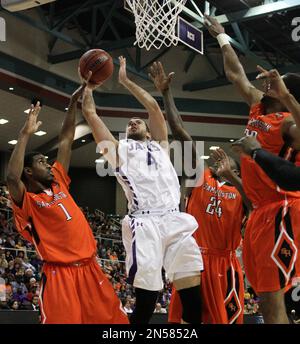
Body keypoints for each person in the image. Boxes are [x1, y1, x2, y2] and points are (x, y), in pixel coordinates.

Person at [81, 56, 203, 324]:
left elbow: (153, 109)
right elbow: (90, 115)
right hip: (145, 223)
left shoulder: (160, 145)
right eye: (129, 123)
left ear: (149, 133)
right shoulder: (118, 150)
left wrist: (126, 82)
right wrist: (89, 89)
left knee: (194, 300)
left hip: (174, 219)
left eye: (138, 122)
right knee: (147, 300)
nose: (133, 122)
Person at [6, 77, 128, 324]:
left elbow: (65, 140)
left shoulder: (59, 181)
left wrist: (73, 104)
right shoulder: (27, 201)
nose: (48, 164)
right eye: (41, 162)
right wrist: (24, 134)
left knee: (115, 323)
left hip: (91, 269)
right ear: (28, 172)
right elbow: (11, 177)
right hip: (60, 274)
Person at [205, 15, 300, 323]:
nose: (270, 82)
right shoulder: (258, 105)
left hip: (282, 208)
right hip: (259, 212)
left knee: (275, 302)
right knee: (265, 301)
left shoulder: (288, 122)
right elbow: (235, 75)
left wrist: (284, 93)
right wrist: (222, 37)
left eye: (279, 81)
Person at [149, 61, 248, 324]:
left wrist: (232, 177)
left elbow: (256, 206)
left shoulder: (242, 191)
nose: (220, 163)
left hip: (224, 264)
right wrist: (166, 93)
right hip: (192, 257)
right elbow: (181, 132)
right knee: (185, 323)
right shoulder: (200, 178)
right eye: (219, 162)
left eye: (228, 163)